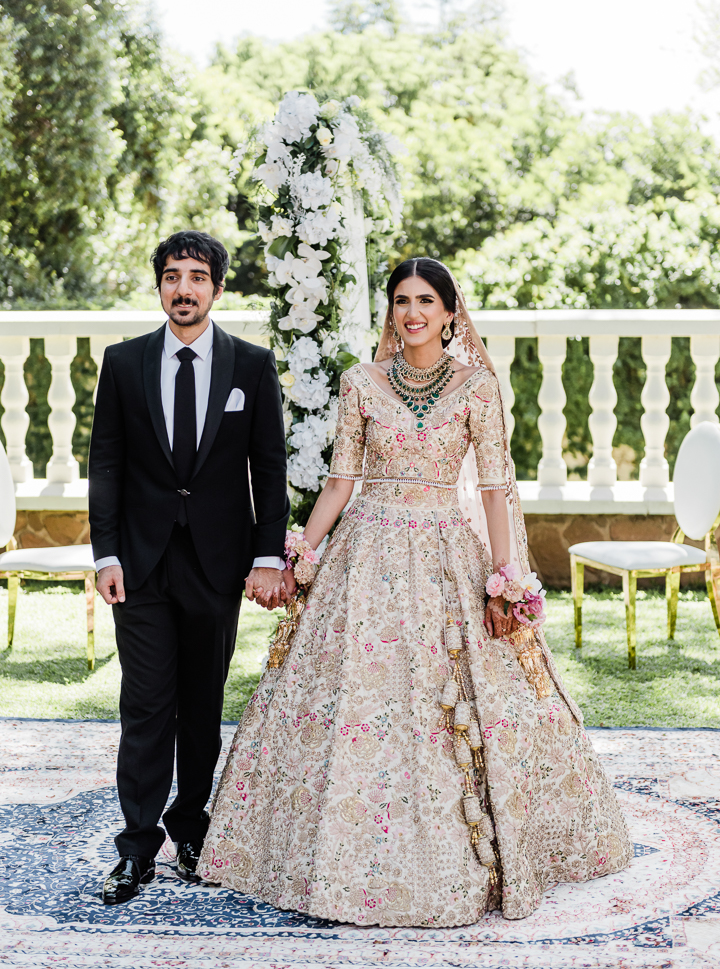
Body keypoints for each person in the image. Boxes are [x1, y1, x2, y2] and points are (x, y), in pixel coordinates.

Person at [198, 258, 632, 925]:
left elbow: (495, 488)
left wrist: (504, 578)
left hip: (446, 553)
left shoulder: (477, 386)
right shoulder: (361, 382)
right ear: (391, 311)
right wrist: (303, 551)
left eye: (427, 301)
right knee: (353, 692)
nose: (413, 313)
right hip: (365, 554)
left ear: (451, 313)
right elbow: (340, 482)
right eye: (402, 300)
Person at [88, 230, 291, 905]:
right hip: (140, 564)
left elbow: (268, 468)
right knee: (146, 704)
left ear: (217, 289)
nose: (184, 288)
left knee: (202, 705)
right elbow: (106, 463)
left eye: (197, 277)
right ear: (159, 287)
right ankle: (136, 847)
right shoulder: (123, 363)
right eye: (172, 276)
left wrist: (267, 555)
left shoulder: (252, 366)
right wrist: (106, 553)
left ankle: (191, 825)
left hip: (216, 563)